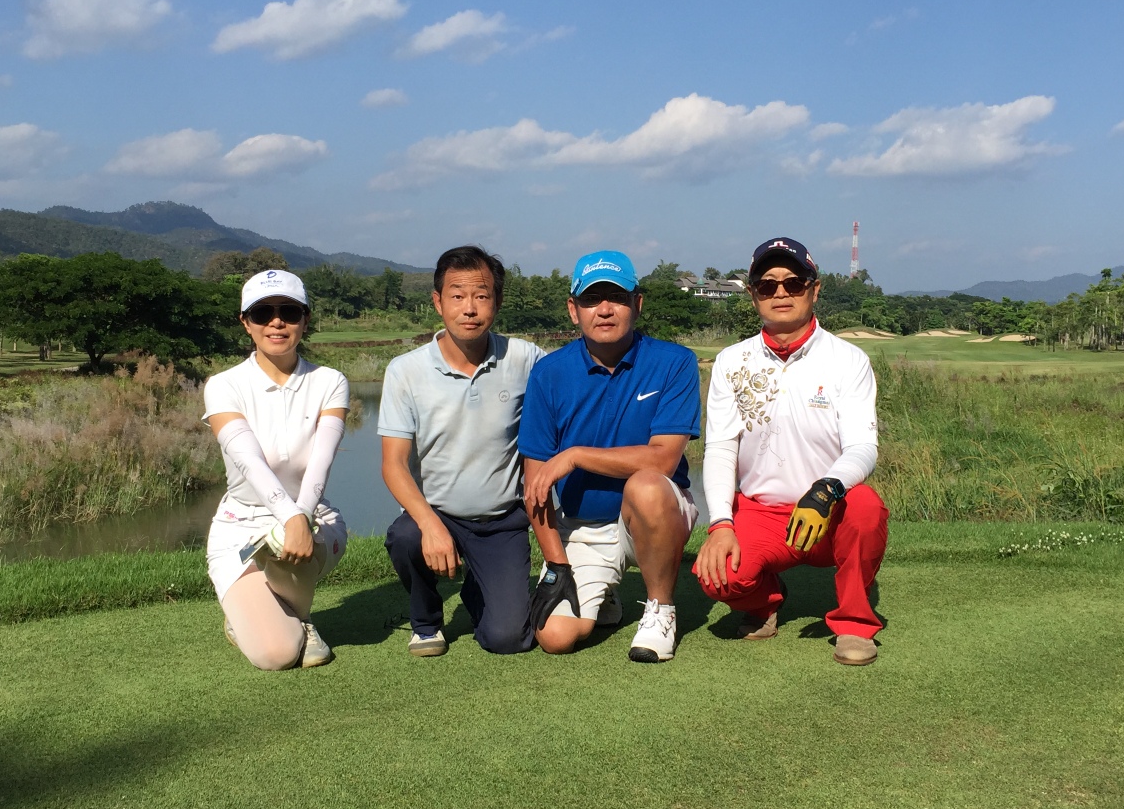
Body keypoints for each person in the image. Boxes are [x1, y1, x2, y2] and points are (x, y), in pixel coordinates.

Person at [693, 237, 890, 666]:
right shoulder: (732, 361)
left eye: (794, 282)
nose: (780, 292)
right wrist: (720, 523)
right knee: (719, 577)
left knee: (866, 508)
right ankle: (766, 600)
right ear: (753, 295)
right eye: (767, 285)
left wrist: (826, 489)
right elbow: (721, 448)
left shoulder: (848, 360)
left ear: (814, 289)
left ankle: (854, 622)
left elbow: (862, 446)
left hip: (828, 510)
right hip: (762, 511)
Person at [519, 250, 702, 663]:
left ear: (637, 304)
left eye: (617, 298)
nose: (604, 309)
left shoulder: (674, 362)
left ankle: (661, 609)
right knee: (556, 637)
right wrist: (555, 564)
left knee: (646, 485)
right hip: (584, 526)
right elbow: (536, 486)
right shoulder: (548, 373)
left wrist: (575, 456)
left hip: (656, 515)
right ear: (573, 309)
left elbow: (663, 461)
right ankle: (606, 596)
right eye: (591, 299)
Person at [379, 246, 545, 657]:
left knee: (509, 640)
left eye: (481, 295)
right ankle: (426, 621)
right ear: (438, 302)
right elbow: (394, 465)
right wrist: (430, 525)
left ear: (497, 302)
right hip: (436, 514)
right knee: (406, 537)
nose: (469, 308)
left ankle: (479, 588)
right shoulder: (405, 370)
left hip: (502, 519)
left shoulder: (525, 358)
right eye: (457, 296)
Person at [203, 269, 349, 670]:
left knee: (287, 539)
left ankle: (298, 617)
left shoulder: (330, 381)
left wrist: (299, 516)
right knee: (275, 655)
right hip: (241, 525)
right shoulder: (224, 385)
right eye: (263, 313)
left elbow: (322, 458)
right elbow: (248, 460)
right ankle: (276, 621)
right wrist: (290, 517)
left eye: (289, 311)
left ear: (305, 319)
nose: (277, 322)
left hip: (314, 518)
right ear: (246, 323)